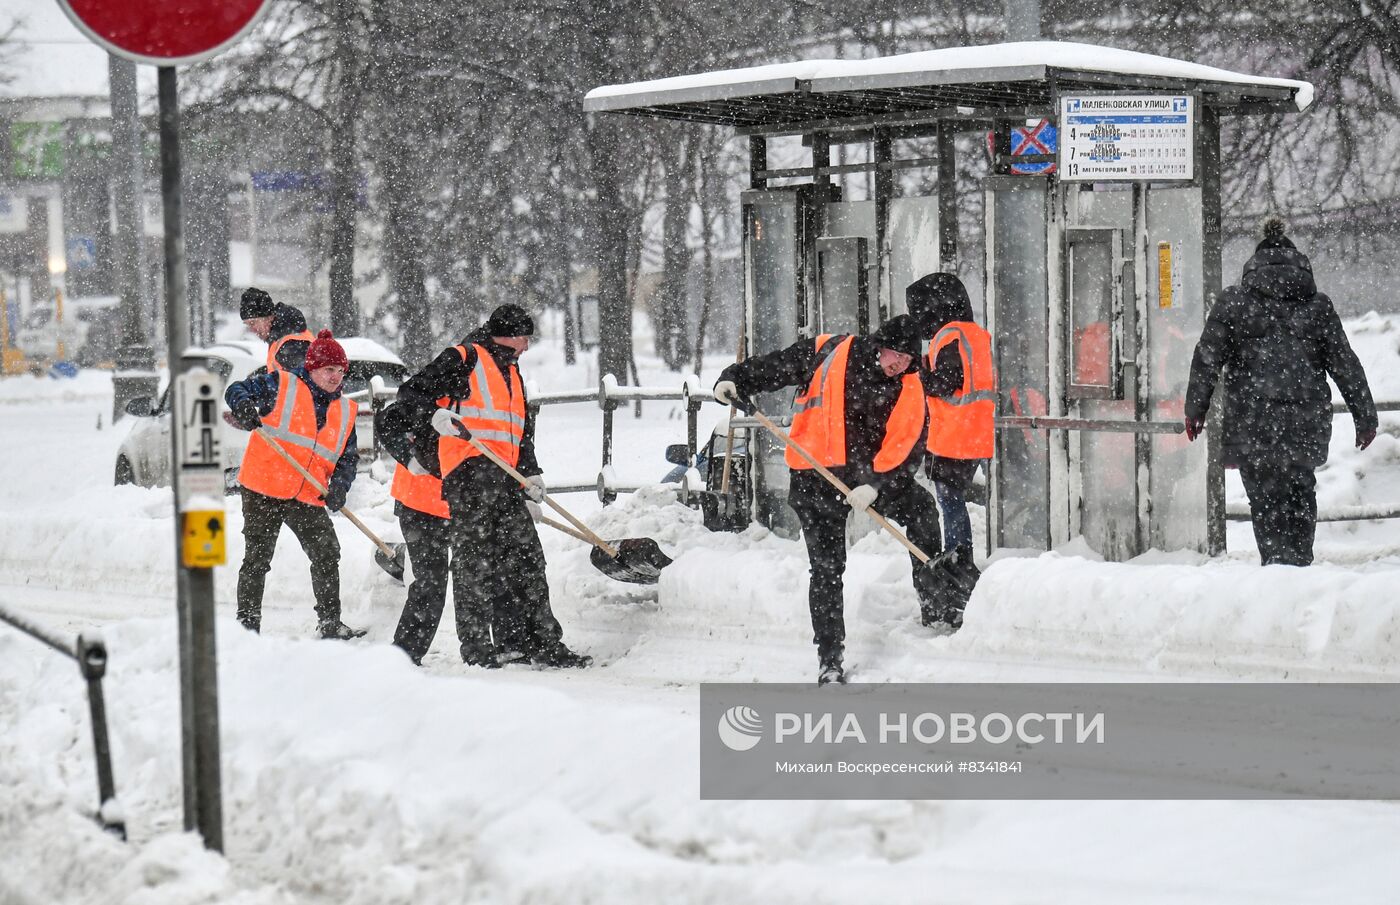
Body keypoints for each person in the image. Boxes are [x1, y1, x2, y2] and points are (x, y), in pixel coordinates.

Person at [714, 315, 942, 685]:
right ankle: (829, 658)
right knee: (827, 569)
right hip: (814, 477)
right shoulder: (829, 350)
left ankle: (935, 607)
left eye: (907, 360)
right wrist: (734, 377)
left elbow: (908, 443)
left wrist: (877, 485)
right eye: (895, 356)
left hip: (868, 478)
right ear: (879, 344)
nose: (899, 365)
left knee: (922, 511)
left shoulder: (909, 382)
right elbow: (777, 366)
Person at [396, 304, 590, 669]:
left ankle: (542, 642)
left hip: (505, 479)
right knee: (474, 564)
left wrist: (531, 473)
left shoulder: (514, 374)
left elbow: (520, 434)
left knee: (527, 558)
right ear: (505, 335)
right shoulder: (464, 358)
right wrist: (434, 416)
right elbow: (409, 395)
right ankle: (476, 647)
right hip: (468, 475)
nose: (527, 347)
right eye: (523, 338)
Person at [1185, 217, 1377, 566]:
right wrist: (1365, 416)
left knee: (1264, 498)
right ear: (1298, 263)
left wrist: (1195, 409)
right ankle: (1299, 563)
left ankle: (1275, 567)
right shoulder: (1318, 306)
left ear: (1254, 264)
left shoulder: (1233, 302)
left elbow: (1206, 358)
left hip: (1252, 422)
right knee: (1301, 492)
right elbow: (1345, 364)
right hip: (1305, 423)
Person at [225, 330, 366, 639]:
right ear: (312, 366)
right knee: (258, 558)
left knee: (327, 552)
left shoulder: (345, 410)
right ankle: (247, 628)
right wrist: (245, 406)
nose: (335, 377)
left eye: (341, 372)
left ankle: (330, 621)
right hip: (263, 487)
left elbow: (347, 458)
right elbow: (237, 389)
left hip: (306, 493)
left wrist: (340, 487)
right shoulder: (281, 384)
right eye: (330, 369)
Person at [906, 273, 995, 579]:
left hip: (954, 435)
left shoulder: (950, 335)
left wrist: (919, 376)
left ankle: (959, 559)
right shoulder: (975, 334)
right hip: (975, 432)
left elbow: (946, 381)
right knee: (952, 498)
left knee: (950, 501)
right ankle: (960, 557)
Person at [376, 398, 460, 666]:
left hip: (465, 504)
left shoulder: (494, 394)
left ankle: (483, 652)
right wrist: (409, 457)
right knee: (431, 584)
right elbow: (386, 421)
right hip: (420, 504)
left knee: (472, 579)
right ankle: (404, 655)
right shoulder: (432, 390)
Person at [240, 287, 314, 373]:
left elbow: (298, 381)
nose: (252, 330)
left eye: (253, 323)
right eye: (248, 325)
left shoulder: (291, 344)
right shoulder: (281, 338)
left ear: (269, 318)